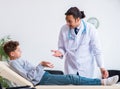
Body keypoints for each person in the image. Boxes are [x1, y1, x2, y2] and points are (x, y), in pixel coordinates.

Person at [3, 40, 119, 86]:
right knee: (73, 78)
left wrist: (42, 66)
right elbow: (28, 77)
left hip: (44, 75)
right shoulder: (14, 64)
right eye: (18, 50)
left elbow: (32, 72)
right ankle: (103, 82)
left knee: (71, 79)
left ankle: (102, 82)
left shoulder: (18, 60)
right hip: (42, 80)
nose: (21, 51)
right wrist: (40, 64)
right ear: (12, 53)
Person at [52, 7, 108, 78]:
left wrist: (102, 67)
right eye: (66, 21)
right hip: (71, 67)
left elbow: (97, 50)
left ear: (78, 19)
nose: (67, 23)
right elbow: (62, 47)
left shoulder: (90, 29)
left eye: (70, 21)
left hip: (87, 68)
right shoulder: (63, 29)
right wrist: (60, 52)